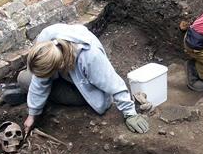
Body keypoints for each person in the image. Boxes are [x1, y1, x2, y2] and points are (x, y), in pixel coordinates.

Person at [15, 23, 149, 134]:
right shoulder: (45, 39)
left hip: (87, 89)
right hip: (65, 76)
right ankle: (39, 99)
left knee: (27, 81)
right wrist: (32, 114)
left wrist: (130, 113)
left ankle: (49, 98)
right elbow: (39, 81)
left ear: (60, 65)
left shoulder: (90, 56)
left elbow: (114, 84)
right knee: (24, 78)